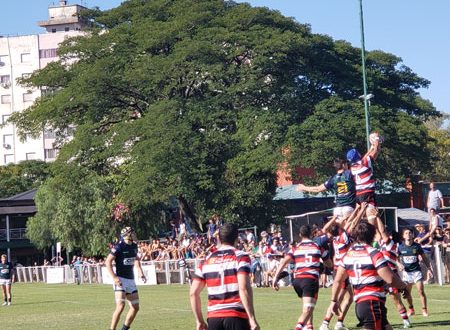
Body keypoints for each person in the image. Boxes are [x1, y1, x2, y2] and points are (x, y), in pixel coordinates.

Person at [327, 221, 410, 330]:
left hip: (361, 304)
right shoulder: (373, 253)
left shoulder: (348, 255)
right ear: (372, 235)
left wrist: (334, 301)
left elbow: (337, 280)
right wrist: (403, 286)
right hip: (371, 303)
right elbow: (390, 278)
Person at [190, 223, 260, 330]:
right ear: (237, 239)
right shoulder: (241, 257)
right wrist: (252, 318)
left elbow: (193, 293)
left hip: (214, 318)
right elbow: (244, 288)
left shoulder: (207, 260)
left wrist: (199, 321)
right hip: (236, 315)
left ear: (218, 238)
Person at [272, 225, 328, 330]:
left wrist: (275, 277)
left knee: (307, 305)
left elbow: (283, 262)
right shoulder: (317, 246)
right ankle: (299, 327)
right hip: (309, 280)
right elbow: (328, 263)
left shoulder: (295, 247)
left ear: (300, 235)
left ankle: (309, 326)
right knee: (308, 308)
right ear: (311, 234)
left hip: (297, 281)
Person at [106, 227, 147, 330]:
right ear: (127, 234)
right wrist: (114, 277)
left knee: (135, 307)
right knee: (121, 306)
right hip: (120, 279)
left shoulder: (134, 246)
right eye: (132, 233)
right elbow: (108, 262)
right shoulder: (119, 247)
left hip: (131, 280)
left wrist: (140, 272)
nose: (134, 234)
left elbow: (136, 259)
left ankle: (124, 329)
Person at [398, 228, 433, 317]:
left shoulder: (417, 246)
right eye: (406, 233)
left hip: (416, 271)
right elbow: (396, 258)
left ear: (412, 235)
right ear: (403, 236)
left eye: (410, 233)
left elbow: (424, 257)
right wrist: (399, 264)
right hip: (407, 273)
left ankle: (424, 310)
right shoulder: (400, 247)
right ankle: (411, 309)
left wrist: (429, 268)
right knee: (407, 293)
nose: (408, 234)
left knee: (420, 291)